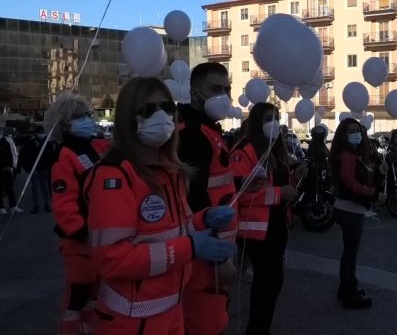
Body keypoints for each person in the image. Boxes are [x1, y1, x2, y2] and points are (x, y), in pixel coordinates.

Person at [85, 77, 235, 334]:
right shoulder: (115, 176)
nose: (161, 115)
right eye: (148, 109)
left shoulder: (170, 172)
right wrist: (190, 247)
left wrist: (204, 219)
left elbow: (174, 229)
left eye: (166, 107)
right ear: (129, 119)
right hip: (131, 320)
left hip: (172, 310)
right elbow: (113, 260)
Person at [177, 62, 243, 335]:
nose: (224, 96)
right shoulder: (192, 134)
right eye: (215, 89)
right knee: (205, 322)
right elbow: (195, 201)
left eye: (227, 89)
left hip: (212, 246)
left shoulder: (208, 129)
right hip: (204, 256)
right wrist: (217, 258)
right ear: (195, 93)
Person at [44, 93, 111, 335]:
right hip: (80, 242)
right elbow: (64, 205)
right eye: (78, 117)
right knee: (77, 298)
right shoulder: (64, 156)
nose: (86, 120)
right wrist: (82, 232)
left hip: (98, 237)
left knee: (96, 296)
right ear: (64, 123)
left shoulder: (93, 147)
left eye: (87, 115)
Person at [231, 102, 300, 335]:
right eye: (269, 118)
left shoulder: (274, 149)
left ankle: (261, 328)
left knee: (273, 282)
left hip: (277, 224)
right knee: (267, 283)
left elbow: (279, 182)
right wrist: (280, 193)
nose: (274, 122)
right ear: (257, 121)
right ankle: (257, 329)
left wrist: (295, 179)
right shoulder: (245, 150)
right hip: (257, 231)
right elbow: (239, 194)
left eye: (277, 117)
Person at [329, 118, 386, 309]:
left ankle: (346, 289)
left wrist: (379, 172)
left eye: (358, 130)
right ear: (344, 135)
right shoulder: (348, 156)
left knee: (349, 252)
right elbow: (350, 183)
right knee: (350, 253)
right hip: (350, 209)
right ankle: (349, 293)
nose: (356, 134)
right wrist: (374, 194)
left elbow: (361, 178)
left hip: (352, 208)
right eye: (351, 131)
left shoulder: (354, 155)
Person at [18, 126, 54, 214]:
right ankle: (36, 206)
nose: (41, 134)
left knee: (45, 187)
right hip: (35, 168)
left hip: (44, 168)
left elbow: (50, 154)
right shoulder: (31, 142)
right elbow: (25, 154)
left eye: (42, 132)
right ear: (36, 133)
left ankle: (47, 205)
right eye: (39, 133)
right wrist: (28, 168)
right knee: (35, 187)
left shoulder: (47, 142)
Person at [0, 130, 19, 214]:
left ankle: (13, 205)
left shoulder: (6, 141)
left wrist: (13, 166)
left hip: (8, 168)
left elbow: (13, 154)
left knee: (9, 187)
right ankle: (1, 207)